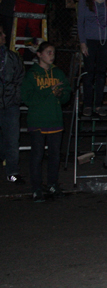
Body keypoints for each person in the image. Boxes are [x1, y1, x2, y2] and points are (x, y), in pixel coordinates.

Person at [21, 41, 72, 202]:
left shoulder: (58, 73)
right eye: (48, 52)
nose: (52, 56)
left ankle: (52, 184)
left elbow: (67, 95)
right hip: (38, 120)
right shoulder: (32, 74)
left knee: (55, 155)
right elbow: (27, 98)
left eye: (53, 53)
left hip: (55, 119)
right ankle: (36, 188)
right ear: (39, 54)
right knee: (37, 155)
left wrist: (60, 95)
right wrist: (49, 90)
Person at [77, 0, 107, 118]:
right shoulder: (85, 0)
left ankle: (98, 104)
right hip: (90, 41)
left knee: (101, 73)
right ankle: (87, 104)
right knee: (89, 73)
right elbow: (81, 22)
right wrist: (82, 42)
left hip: (104, 41)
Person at [0, 28, 25, 184]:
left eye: (4, 32)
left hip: (10, 104)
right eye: (1, 34)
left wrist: (15, 98)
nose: (4, 36)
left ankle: (12, 172)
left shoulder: (12, 57)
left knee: (12, 139)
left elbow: (20, 78)